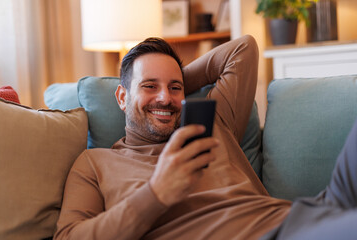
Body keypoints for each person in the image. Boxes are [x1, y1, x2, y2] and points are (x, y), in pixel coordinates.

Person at [54, 36, 357, 240]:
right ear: (121, 97)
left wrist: (172, 84)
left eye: (175, 88)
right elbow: (69, 236)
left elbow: (243, 49)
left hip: (307, 212)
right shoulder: (95, 163)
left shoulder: (208, 126)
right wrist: (156, 193)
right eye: (149, 86)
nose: (165, 98)